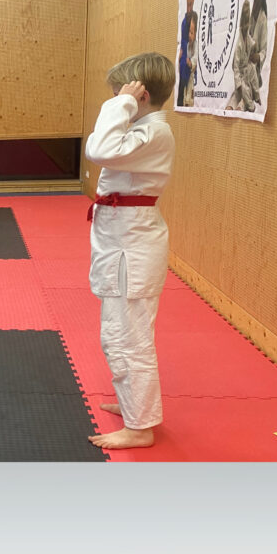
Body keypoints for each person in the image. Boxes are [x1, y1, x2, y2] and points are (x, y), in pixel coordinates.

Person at [84, 52, 176, 450]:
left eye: (120, 92)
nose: (115, 99)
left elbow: (99, 149)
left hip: (132, 247)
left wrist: (121, 103)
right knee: (119, 331)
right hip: (125, 240)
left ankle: (140, 428)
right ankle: (133, 406)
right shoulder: (143, 130)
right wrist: (125, 104)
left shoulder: (154, 132)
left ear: (140, 95)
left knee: (127, 336)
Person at [228, 1, 259, 112]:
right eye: (244, 24)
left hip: (246, 77)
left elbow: (253, 44)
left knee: (246, 94)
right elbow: (235, 67)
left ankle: (242, 105)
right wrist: (239, 85)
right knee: (236, 96)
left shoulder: (248, 40)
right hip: (240, 77)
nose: (246, 26)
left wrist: (255, 50)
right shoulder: (239, 45)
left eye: (247, 23)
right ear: (241, 24)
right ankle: (231, 107)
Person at [177, 0, 197, 107]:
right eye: (188, 4)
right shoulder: (185, 21)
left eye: (191, 4)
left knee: (188, 89)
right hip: (183, 60)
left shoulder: (193, 19)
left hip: (189, 65)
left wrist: (191, 63)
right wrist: (181, 53)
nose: (189, 8)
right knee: (181, 89)